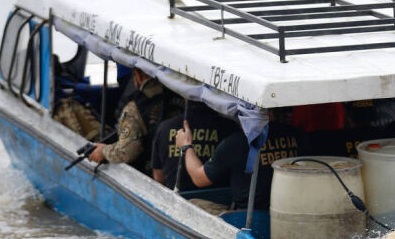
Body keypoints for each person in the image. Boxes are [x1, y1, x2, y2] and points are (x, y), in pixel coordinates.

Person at [175, 111, 307, 212]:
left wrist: (186, 146)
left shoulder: (234, 143)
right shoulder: (297, 134)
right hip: (292, 209)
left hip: (248, 217)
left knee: (192, 203)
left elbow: (200, 178)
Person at [88, 69, 175, 175]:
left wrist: (103, 151)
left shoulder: (135, 108)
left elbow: (128, 151)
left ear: (138, 75)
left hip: (149, 174)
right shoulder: (179, 97)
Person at [151, 101, 238, 190]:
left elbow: (158, 177)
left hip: (175, 199)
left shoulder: (164, 128)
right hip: (218, 199)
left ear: (185, 98)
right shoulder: (230, 128)